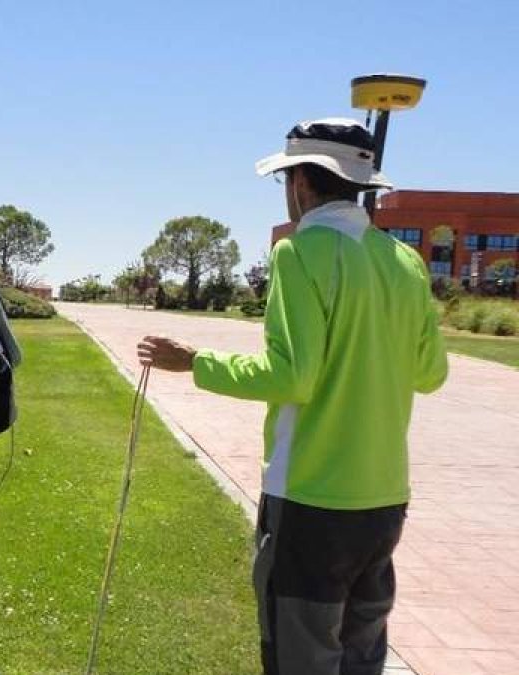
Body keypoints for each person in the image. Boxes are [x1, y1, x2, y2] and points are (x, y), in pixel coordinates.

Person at [137, 118, 448, 675]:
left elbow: (291, 377)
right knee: (361, 650)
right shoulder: (405, 262)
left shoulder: (299, 252)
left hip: (311, 499)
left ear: (301, 182)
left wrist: (195, 363)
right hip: (384, 499)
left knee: (301, 653)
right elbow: (430, 374)